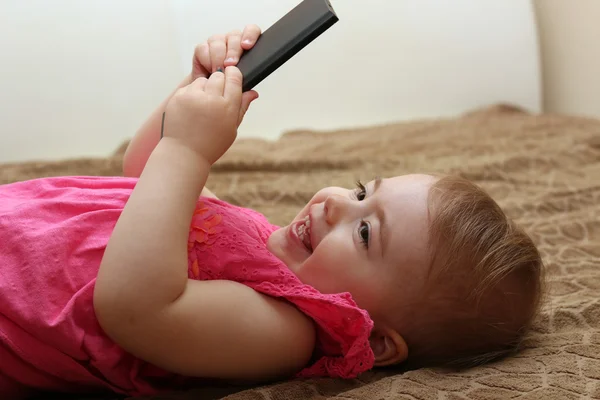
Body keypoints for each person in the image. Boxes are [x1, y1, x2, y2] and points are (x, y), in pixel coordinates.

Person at [0, 25, 544, 398]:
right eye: (359, 192)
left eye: (364, 233)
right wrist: (194, 89)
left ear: (375, 340)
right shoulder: (257, 240)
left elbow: (133, 304)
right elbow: (145, 177)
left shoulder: (282, 333)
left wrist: (189, 152)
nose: (332, 203)